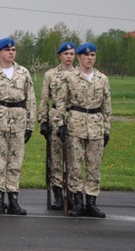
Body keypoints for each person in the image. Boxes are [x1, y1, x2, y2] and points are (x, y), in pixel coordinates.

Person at [0, 37, 36, 215]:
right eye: (7, 50)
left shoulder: (23, 72)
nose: (11, 52)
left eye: (13, 50)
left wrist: (30, 125)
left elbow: (31, 99)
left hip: (18, 119)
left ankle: (13, 199)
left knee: (15, 161)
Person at [54, 43, 112, 218]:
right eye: (86, 56)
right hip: (75, 124)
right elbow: (61, 103)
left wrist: (106, 128)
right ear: (79, 57)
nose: (90, 58)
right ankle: (78, 202)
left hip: (96, 125)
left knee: (94, 166)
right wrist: (60, 124)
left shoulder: (102, 79)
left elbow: (107, 106)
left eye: (93, 55)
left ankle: (92, 202)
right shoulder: (69, 77)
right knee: (75, 165)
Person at [38, 41, 76, 211]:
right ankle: (59, 196)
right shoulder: (50, 75)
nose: (69, 57)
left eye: (72, 54)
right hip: (55, 119)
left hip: (75, 119)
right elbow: (44, 99)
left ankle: (74, 195)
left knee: (74, 159)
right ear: (60, 56)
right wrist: (43, 120)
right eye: (66, 54)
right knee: (56, 160)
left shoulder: (79, 74)